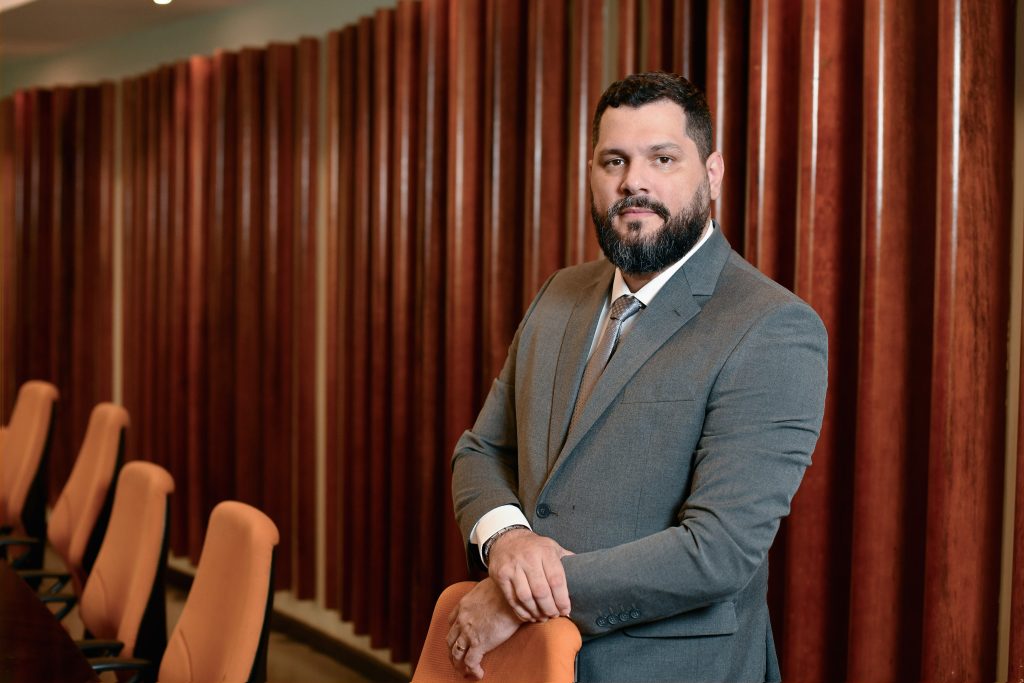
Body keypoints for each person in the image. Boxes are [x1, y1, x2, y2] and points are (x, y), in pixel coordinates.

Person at [446, 71, 827, 683]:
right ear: (591, 173)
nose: (633, 182)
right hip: (525, 665)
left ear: (712, 174)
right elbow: (482, 451)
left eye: (663, 158)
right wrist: (508, 541)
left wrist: (517, 597)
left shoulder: (773, 326)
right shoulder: (559, 293)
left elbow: (718, 551)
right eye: (614, 160)